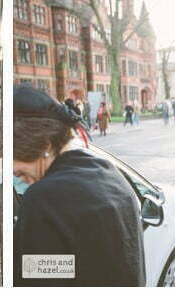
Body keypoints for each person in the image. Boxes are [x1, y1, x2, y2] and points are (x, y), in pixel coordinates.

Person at [13, 85, 145, 286]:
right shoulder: (110, 172)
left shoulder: (44, 198)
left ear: (44, 145)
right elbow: (79, 262)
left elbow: (40, 279)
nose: (15, 174)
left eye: (18, 169)